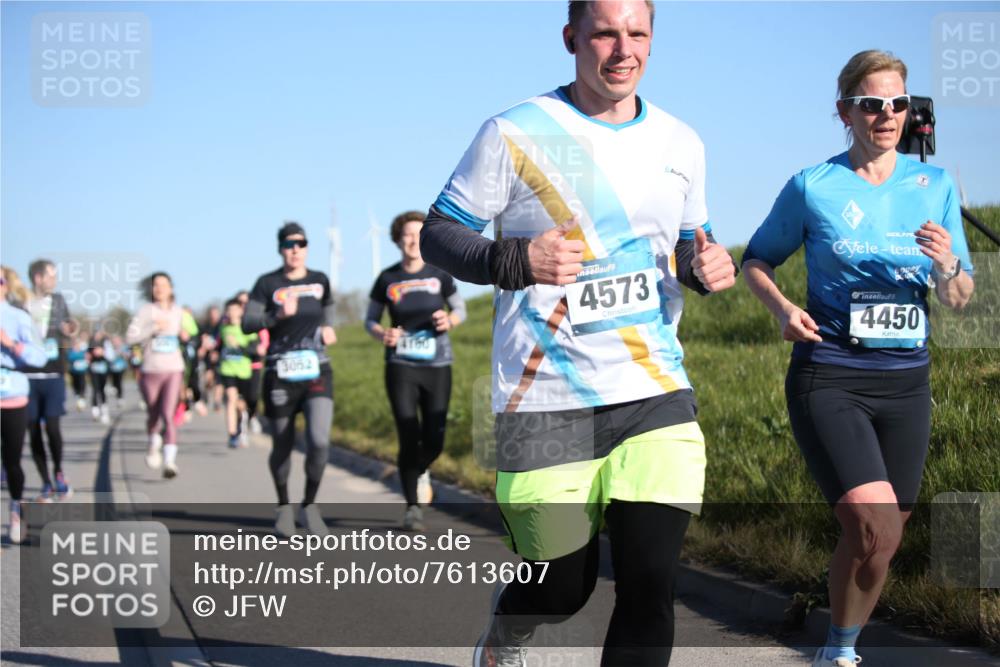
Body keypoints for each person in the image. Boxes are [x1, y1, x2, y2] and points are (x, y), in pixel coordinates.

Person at [419, 2, 737, 664]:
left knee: (650, 584)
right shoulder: (515, 131)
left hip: (653, 389)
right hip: (544, 399)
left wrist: (704, 267)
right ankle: (508, 630)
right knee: (561, 587)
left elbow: (685, 245)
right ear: (572, 38)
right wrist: (514, 259)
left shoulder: (681, 142)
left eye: (637, 33)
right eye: (605, 33)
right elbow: (439, 233)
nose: (623, 50)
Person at [740, 50, 975, 667]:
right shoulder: (813, 186)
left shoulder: (936, 186)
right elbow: (756, 260)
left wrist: (948, 262)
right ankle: (843, 656)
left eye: (898, 103)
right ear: (845, 111)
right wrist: (783, 309)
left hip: (907, 382)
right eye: (872, 104)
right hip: (832, 374)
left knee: (880, 541)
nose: (887, 115)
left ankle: (836, 647)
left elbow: (959, 297)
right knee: (876, 527)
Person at [366, 210, 467, 531]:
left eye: (418, 234)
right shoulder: (387, 279)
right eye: (407, 235)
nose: (412, 240)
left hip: (437, 364)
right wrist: (382, 333)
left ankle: (419, 469)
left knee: (435, 438)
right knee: (408, 434)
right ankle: (412, 508)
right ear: (398, 240)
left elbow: (460, 308)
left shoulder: (439, 273)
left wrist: (449, 320)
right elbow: (370, 320)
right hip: (401, 365)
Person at [243, 222, 337, 538]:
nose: (295, 250)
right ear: (280, 249)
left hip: (316, 369)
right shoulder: (267, 283)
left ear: (307, 248)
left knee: (319, 441)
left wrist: (328, 327)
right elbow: (247, 323)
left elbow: (328, 307)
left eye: (301, 244)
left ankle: (309, 506)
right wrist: (277, 316)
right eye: (288, 244)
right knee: (282, 444)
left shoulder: (319, 280)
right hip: (279, 373)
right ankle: (284, 507)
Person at [24, 259, 78, 502]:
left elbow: (68, 325)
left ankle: (58, 472)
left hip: (54, 373)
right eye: (51, 276)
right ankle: (45, 482)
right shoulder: (21, 302)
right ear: (38, 278)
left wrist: (71, 328)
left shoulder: (58, 301)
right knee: (33, 429)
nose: (55, 281)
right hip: (27, 375)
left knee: (53, 428)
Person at [126, 272, 189, 479]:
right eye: (156, 285)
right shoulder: (146, 311)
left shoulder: (178, 312)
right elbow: (130, 337)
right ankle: (153, 443)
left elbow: (190, 332)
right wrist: (153, 328)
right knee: (153, 413)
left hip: (174, 369)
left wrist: (185, 335)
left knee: (168, 414)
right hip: (151, 369)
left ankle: (170, 461)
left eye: (163, 284)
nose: (160, 288)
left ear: (171, 288)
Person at [1, 266, 48, 544]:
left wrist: (11, 344)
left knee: (12, 460)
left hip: (11, 395)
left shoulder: (18, 317)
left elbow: (39, 356)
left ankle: (16, 508)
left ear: (6, 285)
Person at [218, 298, 259, 448]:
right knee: (231, 399)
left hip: (244, 371)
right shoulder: (223, 328)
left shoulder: (247, 329)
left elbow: (255, 349)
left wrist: (239, 345)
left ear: (241, 311)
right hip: (227, 369)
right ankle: (232, 434)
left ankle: (242, 425)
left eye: (235, 309)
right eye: (229, 310)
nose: (231, 313)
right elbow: (219, 346)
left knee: (242, 405)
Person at [236, 290, 267, 435]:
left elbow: (264, 343)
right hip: (236, 368)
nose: (243, 305)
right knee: (238, 399)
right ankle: (239, 429)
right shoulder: (229, 323)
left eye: (246, 302)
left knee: (253, 397)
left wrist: (260, 348)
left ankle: (252, 416)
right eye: (240, 302)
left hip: (254, 366)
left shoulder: (258, 321)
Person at [87, 332, 111, 425]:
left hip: (103, 370)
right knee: (95, 389)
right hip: (94, 370)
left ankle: (104, 411)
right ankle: (95, 410)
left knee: (102, 390)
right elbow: (87, 357)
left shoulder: (105, 343)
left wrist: (103, 353)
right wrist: (91, 355)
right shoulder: (90, 345)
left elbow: (110, 357)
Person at [66, 336, 89, 411]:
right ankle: (78, 396)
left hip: (82, 371)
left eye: (78, 344)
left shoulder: (83, 351)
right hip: (74, 372)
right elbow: (70, 358)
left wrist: (81, 357)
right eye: (75, 344)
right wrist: (79, 357)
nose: (77, 345)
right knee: (75, 385)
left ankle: (81, 399)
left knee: (82, 384)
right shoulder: (70, 351)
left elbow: (86, 357)